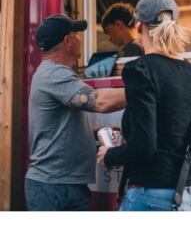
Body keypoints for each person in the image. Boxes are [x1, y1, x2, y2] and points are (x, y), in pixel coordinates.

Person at [98, 0, 191, 211]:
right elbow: (172, 129)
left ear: (139, 26)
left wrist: (110, 155)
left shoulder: (139, 69)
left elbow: (145, 146)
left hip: (153, 192)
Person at [26, 14, 126, 211]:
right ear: (68, 40)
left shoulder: (55, 73)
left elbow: (60, 125)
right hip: (54, 188)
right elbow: (99, 102)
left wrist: (95, 132)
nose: (80, 39)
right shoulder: (54, 74)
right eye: (77, 35)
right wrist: (146, 91)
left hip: (62, 185)